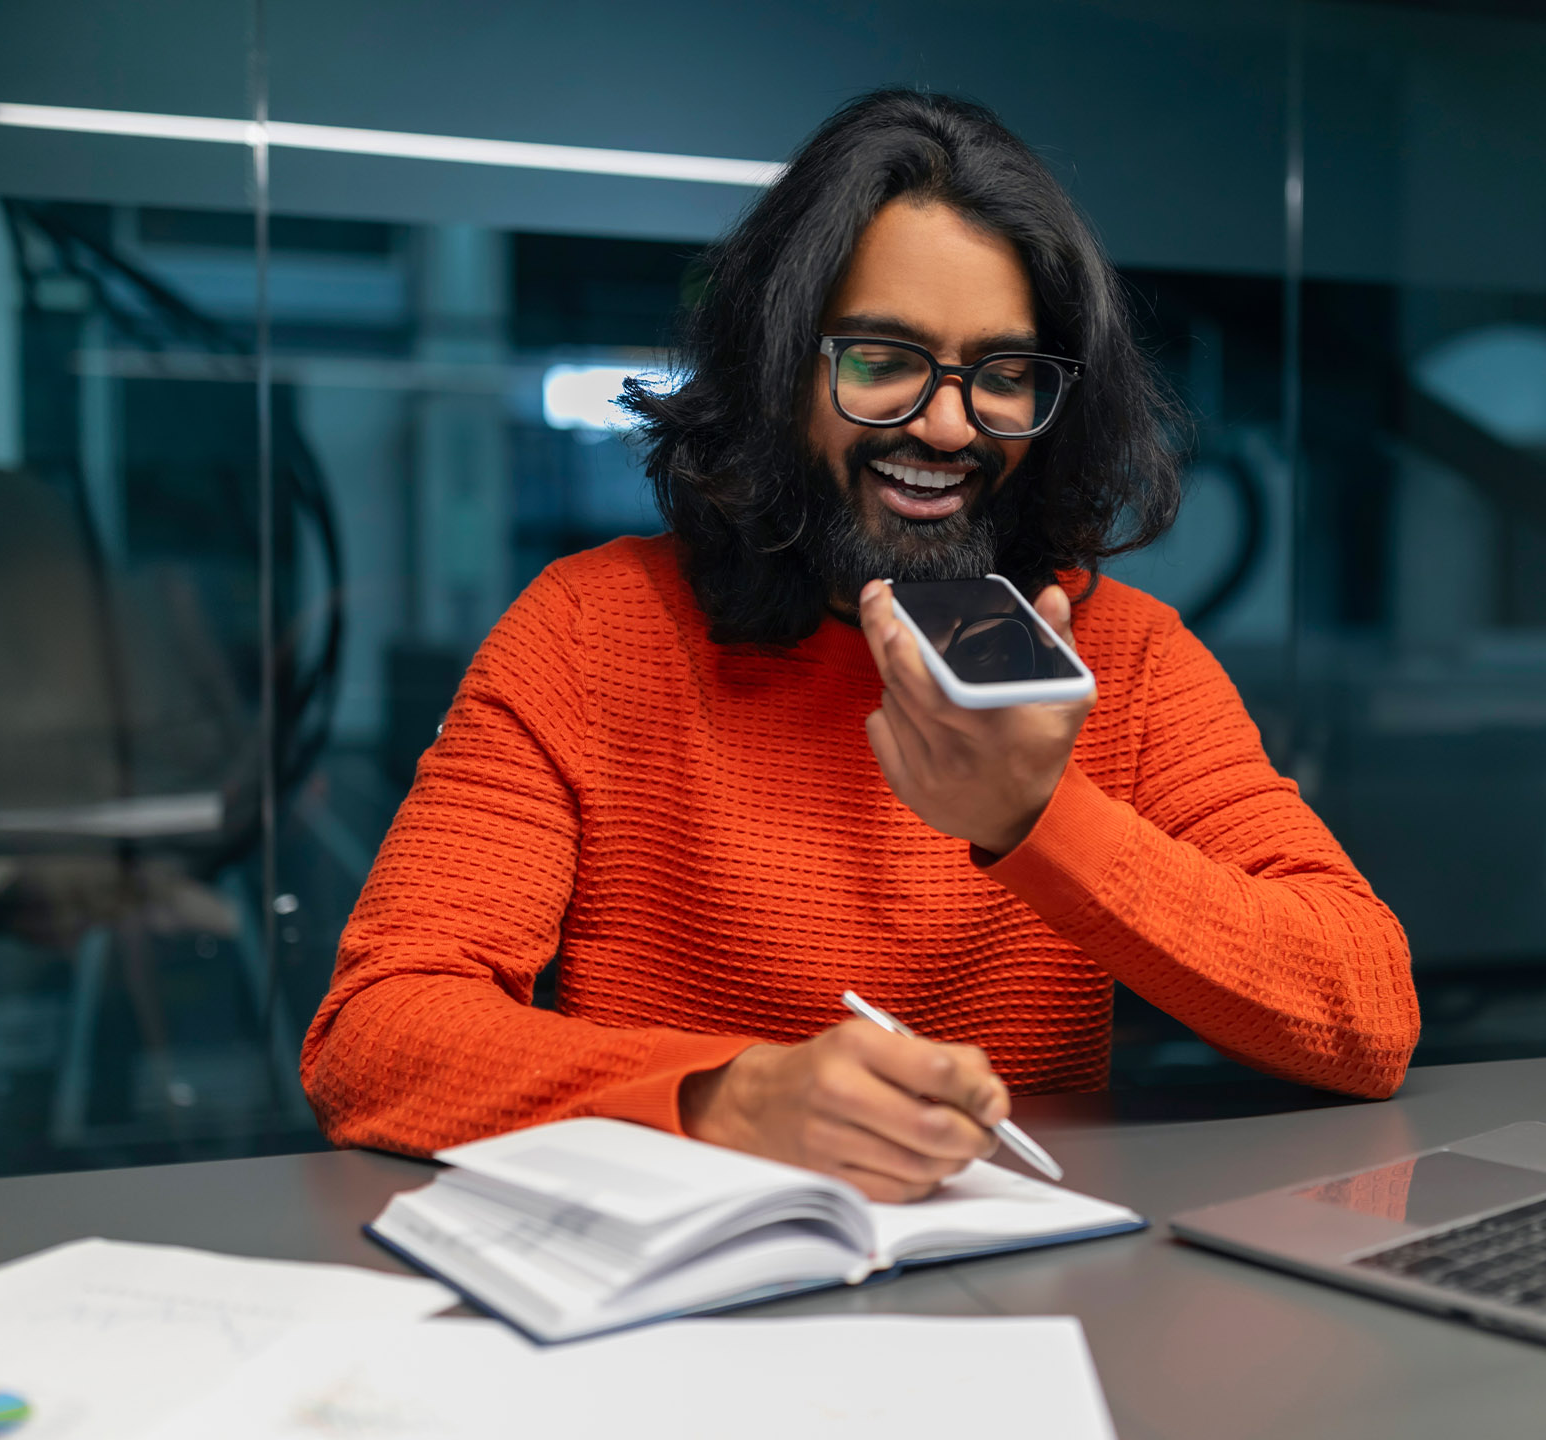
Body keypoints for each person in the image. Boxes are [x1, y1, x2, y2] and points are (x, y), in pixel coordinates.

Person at [302, 90, 1417, 1201]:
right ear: (779, 369)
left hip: (1028, 1294)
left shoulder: (1122, 657)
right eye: (883, 358)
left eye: (1004, 373)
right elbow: (376, 1035)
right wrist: (726, 1098)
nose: (947, 424)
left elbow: (1367, 1015)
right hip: (677, 1301)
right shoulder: (592, 631)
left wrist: (1037, 818)